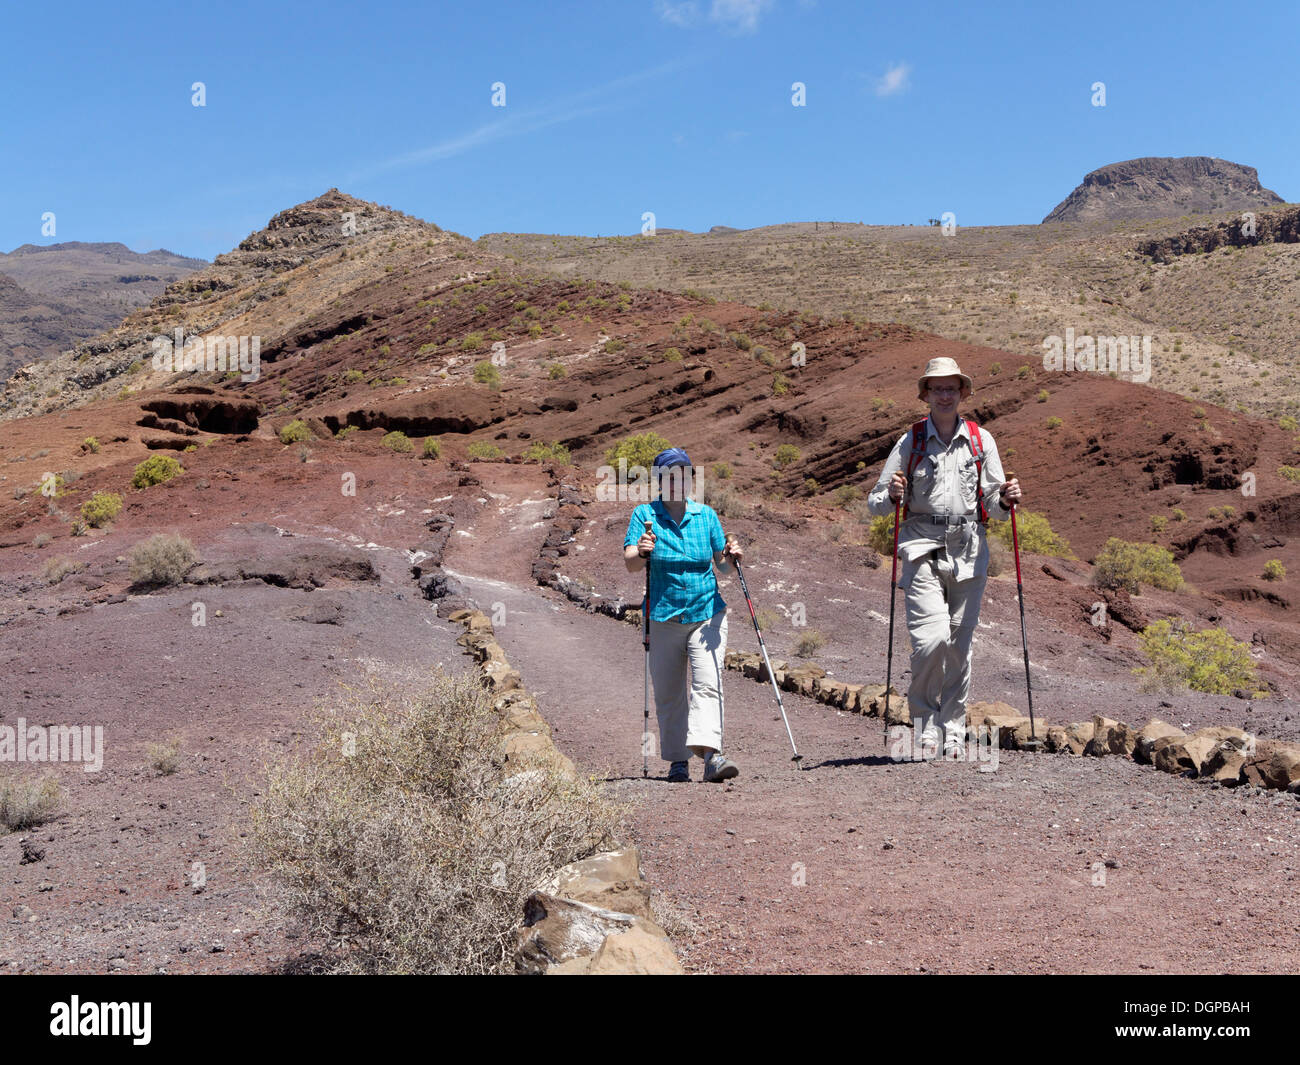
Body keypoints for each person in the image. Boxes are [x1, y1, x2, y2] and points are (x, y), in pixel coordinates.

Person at [866, 357, 1023, 760]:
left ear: (962, 393)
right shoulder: (911, 441)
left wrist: (1005, 500)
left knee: (958, 646)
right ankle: (923, 723)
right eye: (937, 388)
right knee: (931, 640)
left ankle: (951, 731)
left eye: (952, 387)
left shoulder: (980, 440)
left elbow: (993, 503)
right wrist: (893, 496)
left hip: (969, 548)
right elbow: (876, 502)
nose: (945, 394)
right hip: (922, 545)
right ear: (926, 395)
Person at [623, 448, 742, 783]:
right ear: (659, 480)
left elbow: (722, 564)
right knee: (669, 691)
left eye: (684, 474)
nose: (677, 481)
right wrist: (642, 551)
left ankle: (712, 757)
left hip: (706, 612)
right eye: (669, 475)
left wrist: (732, 556)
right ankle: (678, 761)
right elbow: (631, 562)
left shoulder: (706, 516)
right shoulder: (644, 514)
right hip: (662, 615)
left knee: (708, 682)